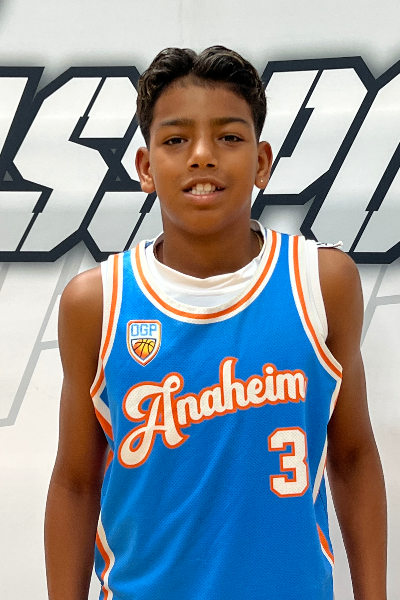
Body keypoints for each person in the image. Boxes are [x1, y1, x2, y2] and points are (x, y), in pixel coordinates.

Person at [45, 46, 387, 600]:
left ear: (262, 162)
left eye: (228, 136)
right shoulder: (97, 302)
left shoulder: (321, 281)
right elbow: (75, 483)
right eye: (176, 140)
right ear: (145, 167)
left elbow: (353, 458)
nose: (202, 156)